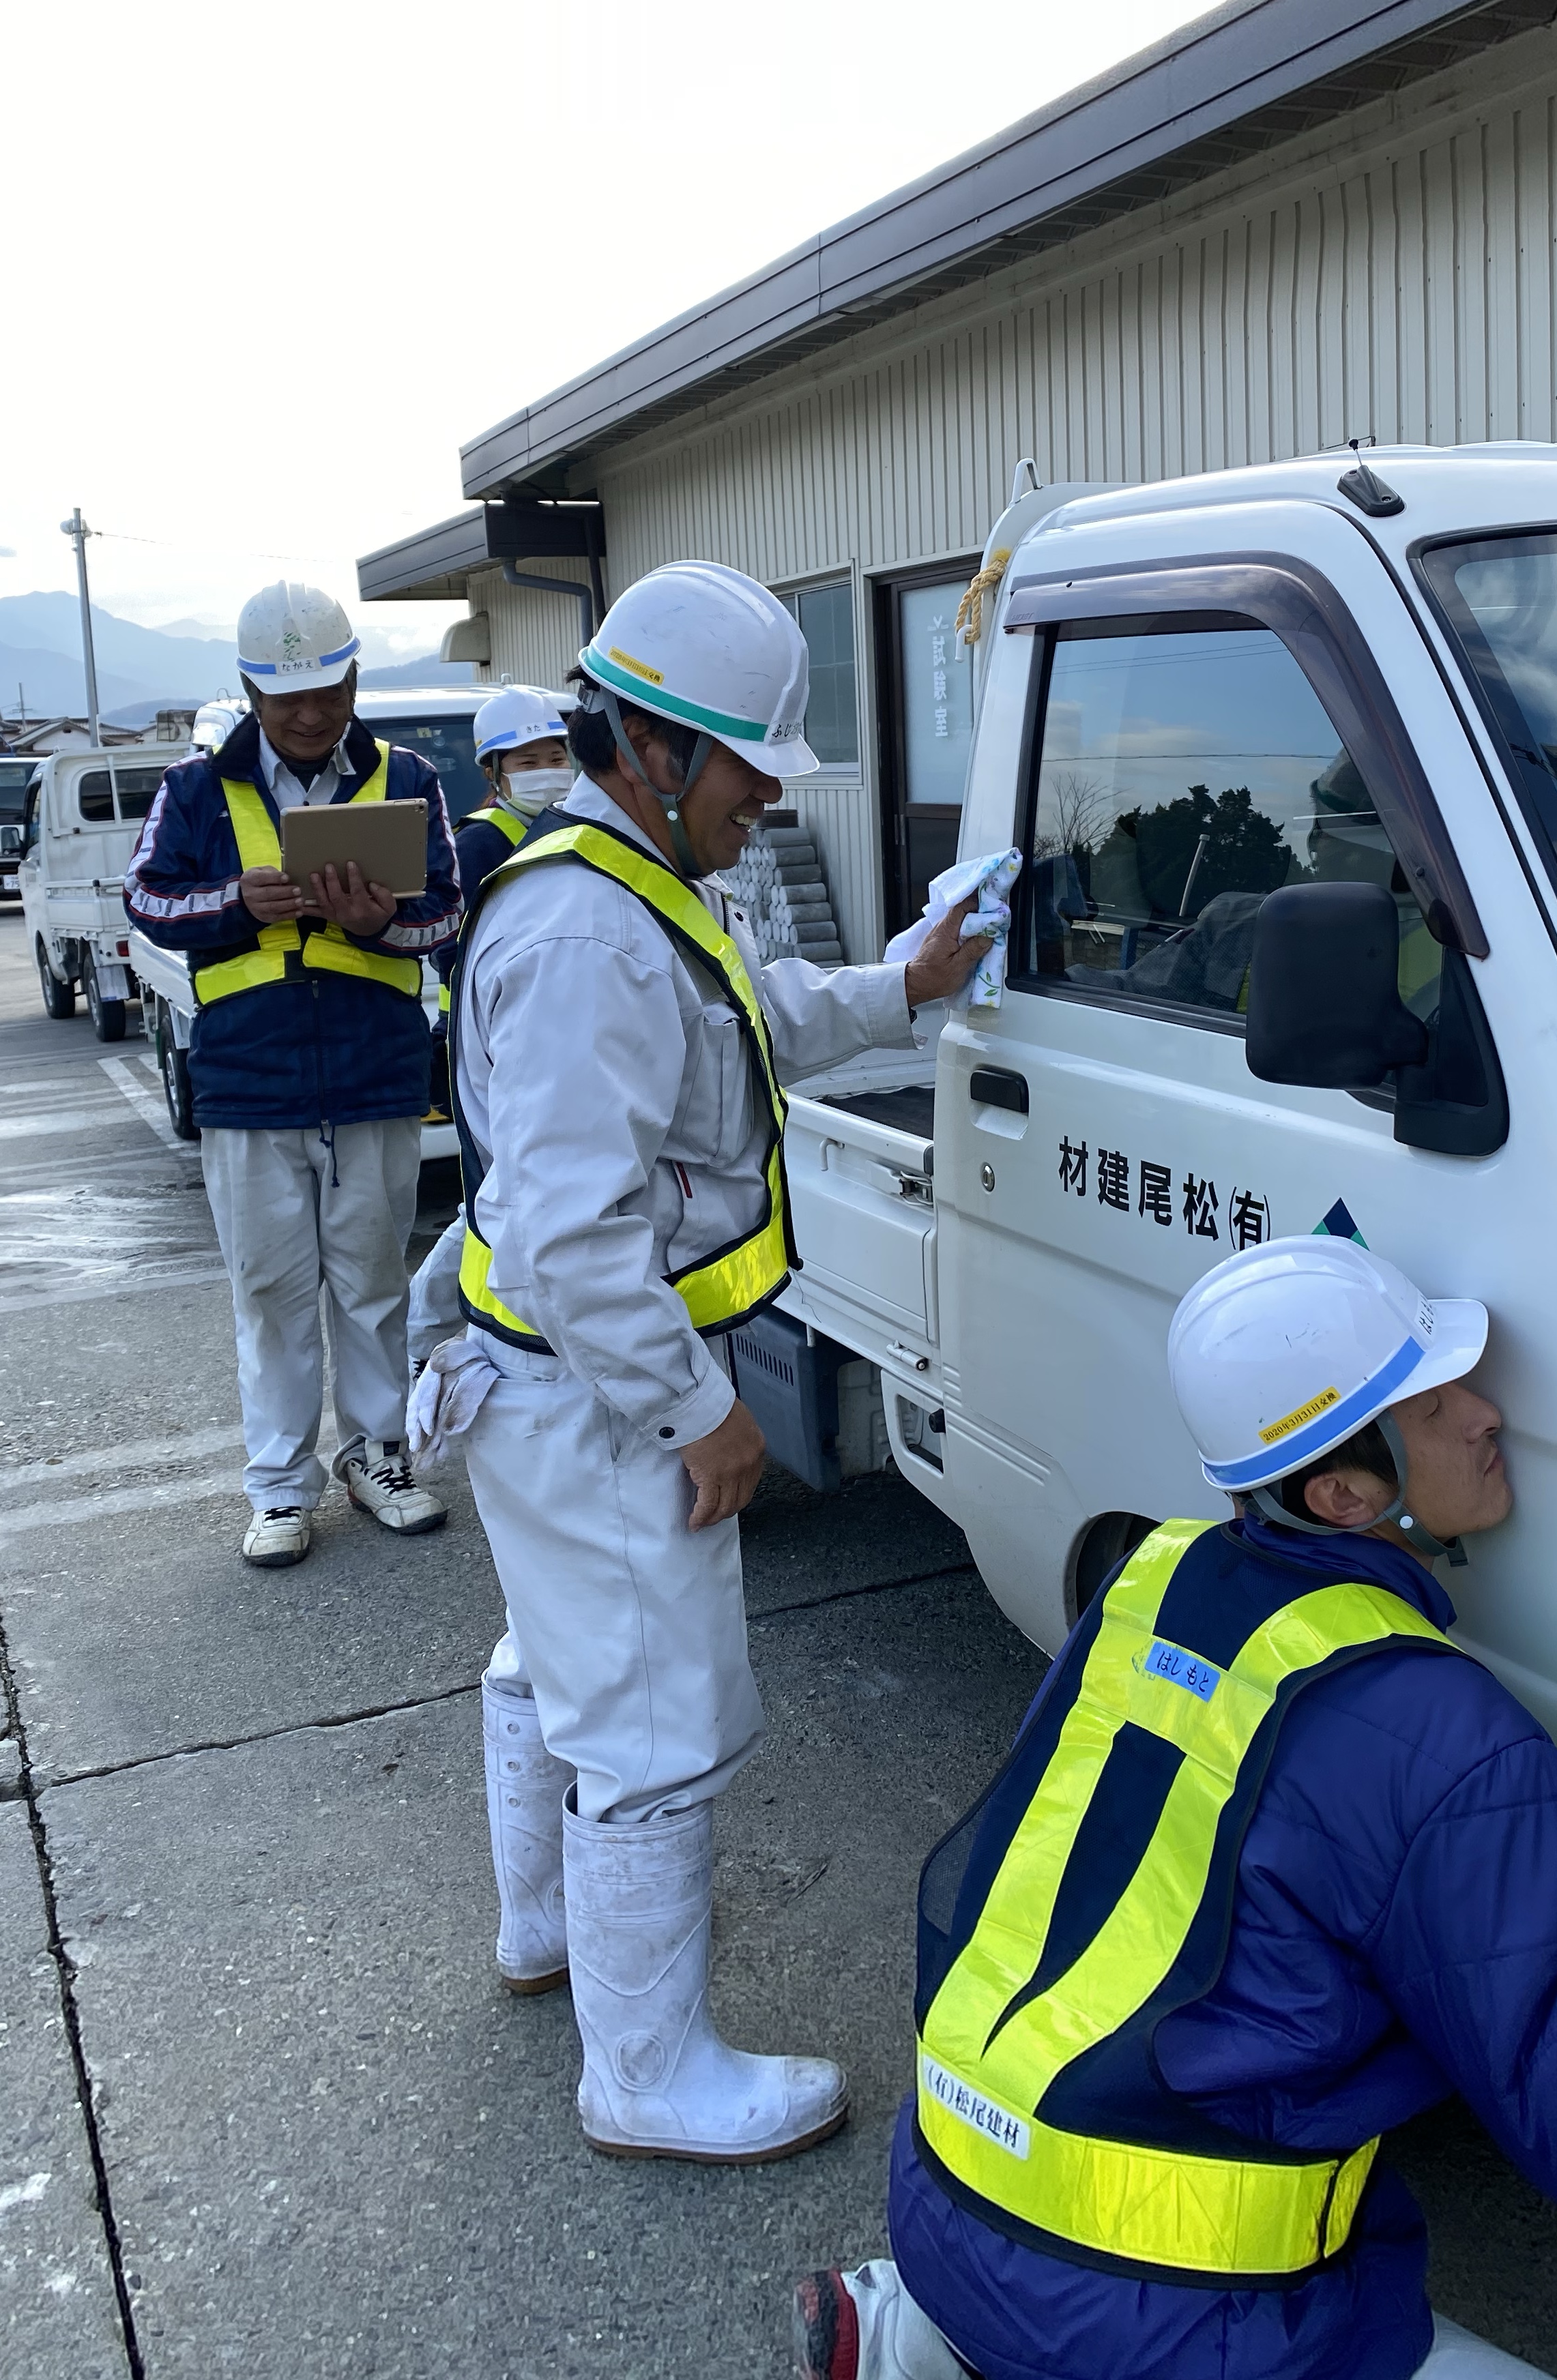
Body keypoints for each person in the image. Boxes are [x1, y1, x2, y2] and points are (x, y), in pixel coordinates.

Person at [795, 1234, 1557, 2380]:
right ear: (1346, 1493)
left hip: (943, 2199)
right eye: (1438, 1403)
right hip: (1168, 2333)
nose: (1491, 1415)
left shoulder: (1153, 1575)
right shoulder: (1446, 1732)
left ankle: (908, 2334)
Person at [440, 561, 987, 2159]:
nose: (765, 801)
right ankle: (646, 2070)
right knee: (655, 1728)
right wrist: (702, 1415)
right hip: (593, 1394)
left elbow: (753, 1019)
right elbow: (573, 1236)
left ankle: (545, 1929)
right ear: (657, 748)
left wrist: (908, 981)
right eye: (752, 769)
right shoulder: (587, 936)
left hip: (541, 1386)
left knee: (554, 1666)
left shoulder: (632, 890)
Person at [126, 581, 461, 1568]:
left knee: (371, 1282)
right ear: (250, 692)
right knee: (269, 1290)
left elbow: (445, 913)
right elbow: (147, 898)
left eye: (328, 691)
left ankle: (379, 1457)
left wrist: (378, 922)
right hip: (249, 1078)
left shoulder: (407, 779)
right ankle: (279, 1486)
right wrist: (239, 900)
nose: (311, 716)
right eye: (287, 699)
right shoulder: (197, 788)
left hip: (373, 1071)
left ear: (354, 678)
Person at [405, 685, 573, 1368]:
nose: (545, 767)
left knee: (522, 1195)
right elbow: (453, 948)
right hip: (488, 1053)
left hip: (555, 1042)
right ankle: (420, 1336)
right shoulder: (479, 843)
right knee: (495, 1200)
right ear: (494, 774)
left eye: (555, 753)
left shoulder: (571, 829)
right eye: (525, 758)